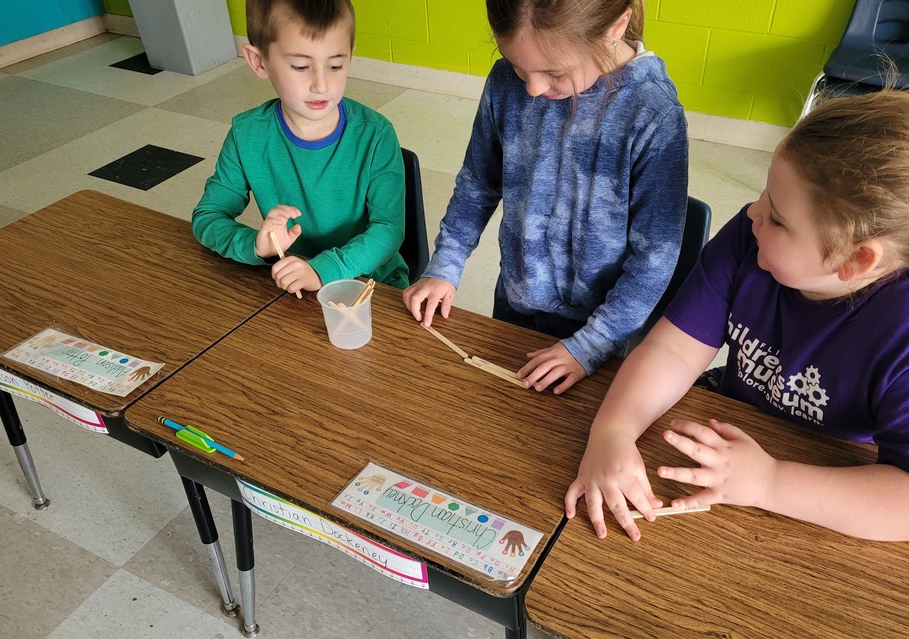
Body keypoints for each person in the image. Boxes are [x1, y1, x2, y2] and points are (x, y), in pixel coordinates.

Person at [566, 88, 909, 543]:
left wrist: (769, 482)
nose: (754, 212)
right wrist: (613, 430)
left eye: (780, 219)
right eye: (766, 194)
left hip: (835, 489)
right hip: (732, 438)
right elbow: (673, 348)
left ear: (855, 261)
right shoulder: (754, 236)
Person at [402, 0, 687, 394]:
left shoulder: (653, 113)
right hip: (515, 301)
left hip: (597, 330)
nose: (533, 88)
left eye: (555, 73)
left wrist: (589, 345)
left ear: (616, 27)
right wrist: (445, 265)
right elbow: (477, 183)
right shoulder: (506, 83)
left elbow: (655, 258)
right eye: (518, 66)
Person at [193, 0, 408, 294]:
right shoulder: (247, 135)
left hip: (372, 283)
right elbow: (208, 217)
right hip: (288, 282)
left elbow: (389, 230)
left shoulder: (376, 135)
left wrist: (322, 270)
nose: (321, 84)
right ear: (259, 62)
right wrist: (256, 245)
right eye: (300, 66)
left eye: (335, 65)